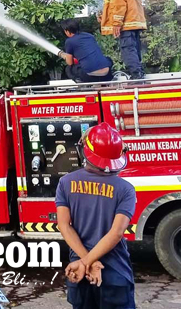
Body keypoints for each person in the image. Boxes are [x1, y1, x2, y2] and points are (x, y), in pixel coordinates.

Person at [56, 123, 137, 309]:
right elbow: (116, 233)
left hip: (79, 272)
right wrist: (89, 262)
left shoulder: (65, 182)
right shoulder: (126, 189)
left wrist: (85, 262)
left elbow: (64, 226)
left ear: (85, 151)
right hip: (114, 272)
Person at [99, 0, 147, 79]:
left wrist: (116, 23)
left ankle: (136, 76)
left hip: (126, 24)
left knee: (128, 50)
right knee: (134, 50)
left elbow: (119, 4)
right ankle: (139, 73)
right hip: (135, 23)